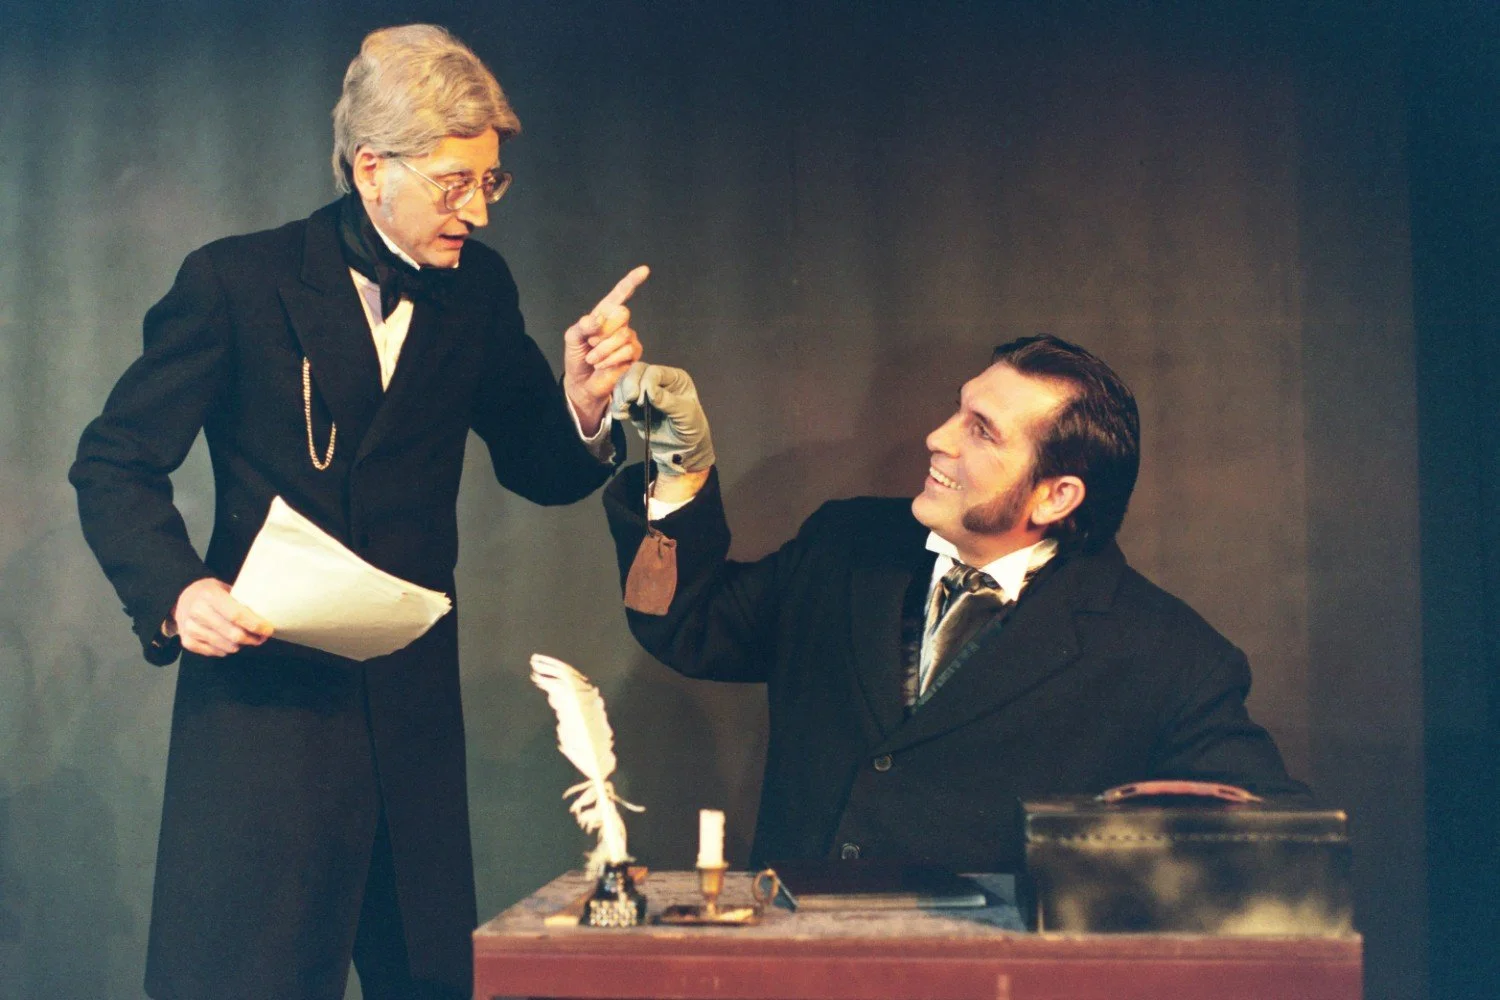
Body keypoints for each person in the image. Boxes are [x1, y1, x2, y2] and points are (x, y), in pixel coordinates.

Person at [69, 24, 645, 1000]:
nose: (478, 211)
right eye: (454, 182)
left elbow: (541, 467)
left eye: (490, 182)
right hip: (264, 724)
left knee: (423, 979)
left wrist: (586, 409)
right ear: (372, 167)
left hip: (409, 723)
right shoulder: (236, 283)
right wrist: (178, 591)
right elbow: (113, 462)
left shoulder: (477, 289)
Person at [603, 336, 1310, 872]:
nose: (937, 437)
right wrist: (677, 468)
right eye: (958, 410)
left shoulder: (1167, 658)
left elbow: (1271, 844)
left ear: (1056, 496)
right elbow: (684, 623)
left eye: (982, 429)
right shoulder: (844, 546)